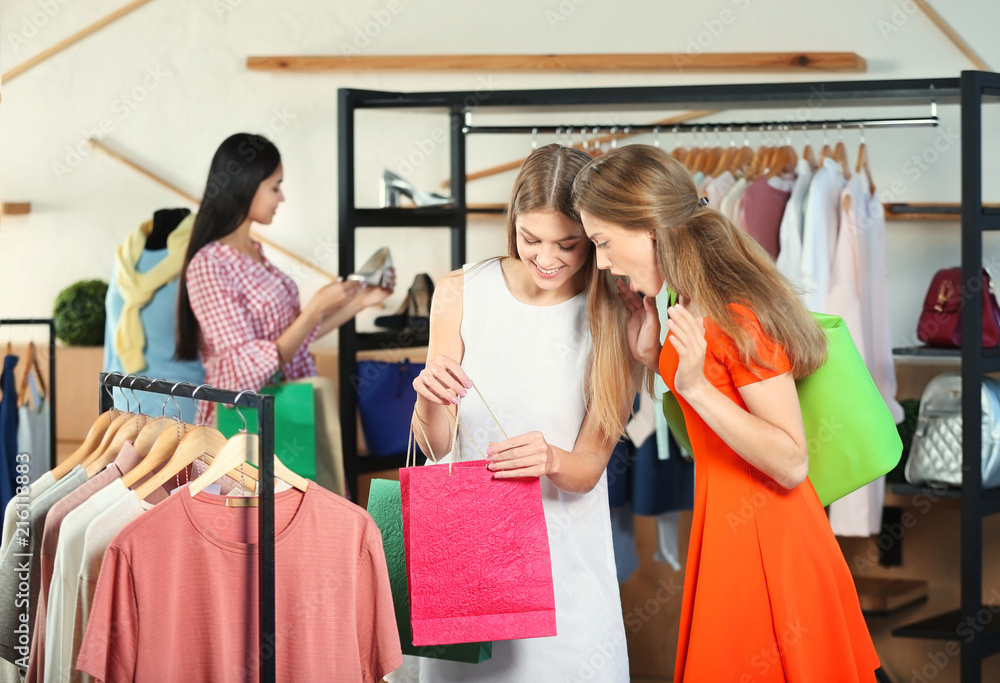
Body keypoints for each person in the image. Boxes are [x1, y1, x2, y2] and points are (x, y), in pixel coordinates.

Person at [571, 143, 880, 682]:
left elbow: (790, 461)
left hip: (770, 544)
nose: (601, 261)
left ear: (648, 226)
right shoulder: (687, 302)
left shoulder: (736, 310)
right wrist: (652, 361)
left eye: (602, 241)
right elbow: (710, 426)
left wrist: (693, 386)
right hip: (728, 533)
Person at [394, 143, 634, 682]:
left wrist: (550, 458)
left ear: (591, 237)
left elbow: (590, 467)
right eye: (532, 240)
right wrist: (429, 396)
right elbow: (437, 448)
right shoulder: (460, 292)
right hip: (467, 561)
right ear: (513, 226)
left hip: (565, 567)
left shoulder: (612, 312)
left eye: (568, 244)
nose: (548, 258)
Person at [175, 133, 393, 494]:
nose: (282, 197)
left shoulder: (256, 254)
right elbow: (244, 369)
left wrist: (359, 303)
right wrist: (315, 308)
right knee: (264, 526)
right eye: (275, 187)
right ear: (246, 186)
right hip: (242, 424)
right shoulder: (209, 265)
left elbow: (291, 339)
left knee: (297, 523)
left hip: (288, 411)